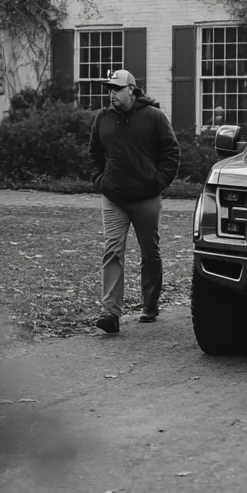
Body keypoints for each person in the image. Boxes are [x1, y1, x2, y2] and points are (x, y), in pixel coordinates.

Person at [88, 69, 181, 334]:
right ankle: (111, 313)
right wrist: (99, 181)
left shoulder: (154, 117)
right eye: (109, 89)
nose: (112, 94)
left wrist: (158, 181)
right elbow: (94, 155)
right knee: (112, 250)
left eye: (117, 89)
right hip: (114, 197)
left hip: (146, 198)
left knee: (150, 253)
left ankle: (149, 306)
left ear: (131, 89)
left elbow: (171, 152)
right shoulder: (103, 119)